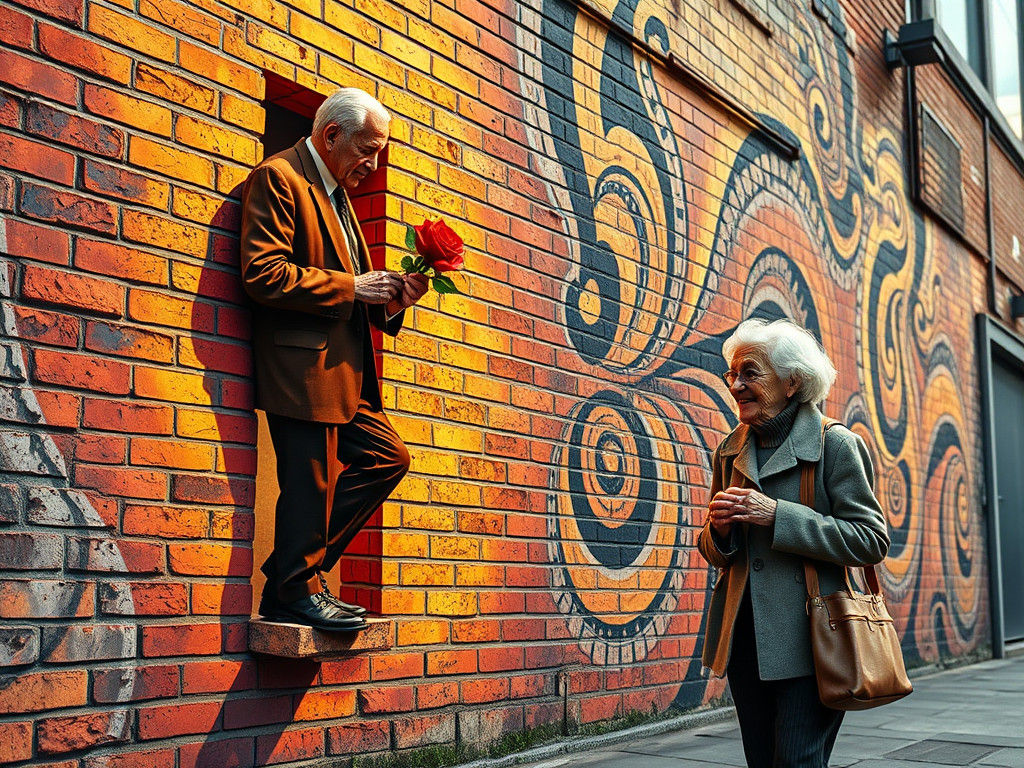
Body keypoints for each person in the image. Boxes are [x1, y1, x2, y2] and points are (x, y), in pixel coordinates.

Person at [240, 88, 428, 632]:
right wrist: (353, 287)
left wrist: (392, 302)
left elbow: (356, 293)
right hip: (302, 371)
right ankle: (295, 590)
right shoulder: (280, 179)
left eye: (379, 153)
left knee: (387, 459)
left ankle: (291, 578)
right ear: (330, 136)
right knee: (311, 486)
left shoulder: (337, 194)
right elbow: (263, 274)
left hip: (345, 375)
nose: (373, 164)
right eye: (367, 150)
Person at [697, 318, 890, 768]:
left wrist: (778, 516)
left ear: (792, 382)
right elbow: (716, 553)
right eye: (732, 374)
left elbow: (870, 540)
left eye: (750, 373)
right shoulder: (729, 450)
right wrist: (719, 533)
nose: (736, 386)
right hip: (745, 641)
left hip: (815, 641)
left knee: (797, 761)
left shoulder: (835, 445)